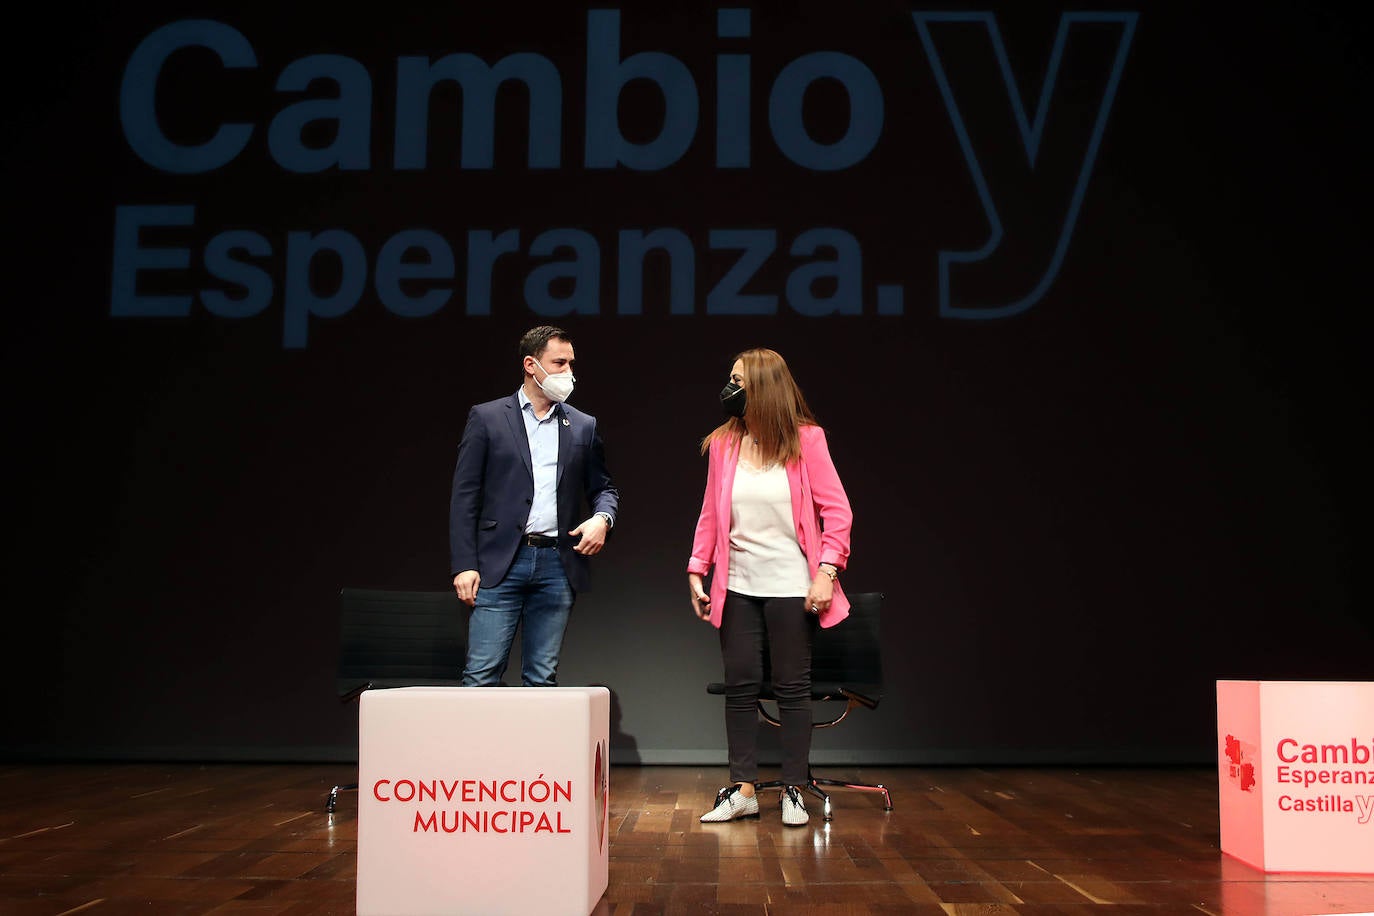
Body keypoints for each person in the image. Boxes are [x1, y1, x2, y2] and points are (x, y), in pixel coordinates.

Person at [687, 348, 853, 827]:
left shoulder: (807, 441)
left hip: (790, 585)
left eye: (739, 380)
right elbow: (709, 514)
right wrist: (698, 568)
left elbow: (837, 512)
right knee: (740, 686)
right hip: (737, 584)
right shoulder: (724, 444)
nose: (730, 388)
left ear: (764, 388)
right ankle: (742, 790)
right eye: (729, 378)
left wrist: (827, 571)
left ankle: (793, 789)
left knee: (791, 688)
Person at [450, 325, 620, 687]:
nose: (568, 373)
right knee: (481, 676)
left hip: (557, 565)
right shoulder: (489, 418)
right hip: (500, 563)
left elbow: (604, 488)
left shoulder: (582, 425)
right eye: (558, 363)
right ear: (531, 364)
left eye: (571, 364)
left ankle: (531, 747)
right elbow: (465, 496)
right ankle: (477, 747)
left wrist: (602, 519)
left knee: (542, 679)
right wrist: (464, 564)